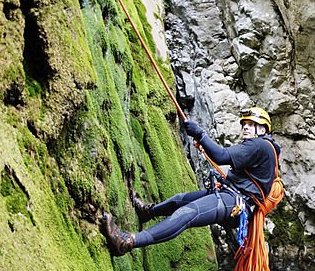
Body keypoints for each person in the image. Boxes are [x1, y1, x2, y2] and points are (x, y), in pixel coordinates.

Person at [101, 107, 281, 256]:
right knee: (180, 199)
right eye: (244, 124)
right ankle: (147, 212)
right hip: (232, 198)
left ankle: (127, 241)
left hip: (234, 202)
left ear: (263, 130)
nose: (246, 128)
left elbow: (221, 156)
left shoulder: (259, 145)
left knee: (186, 214)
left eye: (252, 124)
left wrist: (200, 134)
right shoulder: (266, 149)